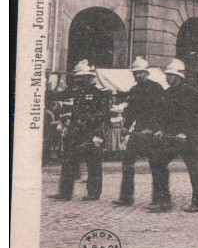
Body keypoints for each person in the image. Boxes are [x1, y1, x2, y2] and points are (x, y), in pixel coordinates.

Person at [148, 59, 198, 212]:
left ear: (178, 77)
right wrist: (159, 129)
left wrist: (186, 133)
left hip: (187, 138)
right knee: (157, 161)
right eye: (167, 75)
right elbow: (160, 115)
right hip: (171, 138)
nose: (167, 78)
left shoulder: (191, 94)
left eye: (170, 75)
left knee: (194, 168)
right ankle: (163, 200)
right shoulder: (167, 94)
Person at [51, 60, 112, 201]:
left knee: (93, 163)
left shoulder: (100, 93)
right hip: (76, 131)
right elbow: (59, 96)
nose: (78, 79)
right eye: (77, 77)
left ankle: (94, 193)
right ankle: (65, 192)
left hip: (92, 132)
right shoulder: (76, 92)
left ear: (88, 77)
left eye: (81, 77)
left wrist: (95, 131)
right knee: (69, 161)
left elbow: (102, 114)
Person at [114, 57, 164, 207]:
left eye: (140, 73)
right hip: (137, 131)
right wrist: (126, 126)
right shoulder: (134, 90)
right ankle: (126, 197)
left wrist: (155, 128)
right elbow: (131, 112)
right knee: (127, 163)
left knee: (155, 166)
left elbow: (162, 111)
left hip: (152, 132)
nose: (137, 76)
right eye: (135, 73)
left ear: (146, 73)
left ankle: (158, 200)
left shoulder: (156, 88)